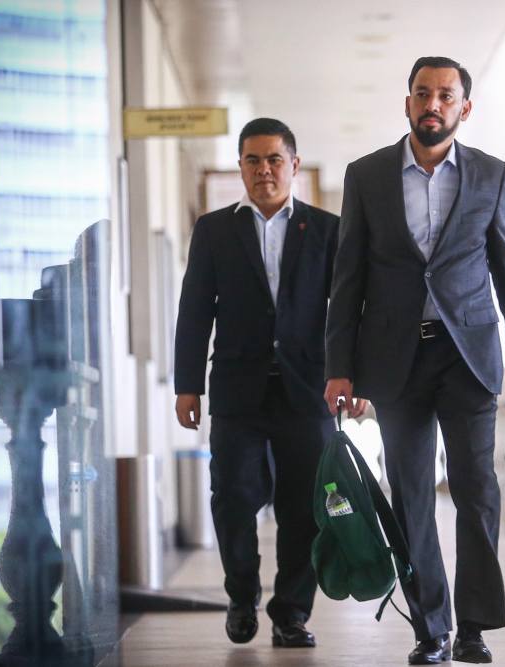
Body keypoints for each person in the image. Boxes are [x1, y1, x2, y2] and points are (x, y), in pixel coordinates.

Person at [324, 56, 505, 665]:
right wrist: (340, 365)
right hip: (394, 357)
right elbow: (348, 275)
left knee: (477, 490)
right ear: (408, 103)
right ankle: (431, 628)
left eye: (446, 95)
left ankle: (472, 626)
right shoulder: (366, 175)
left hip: (467, 353)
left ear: (464, 108)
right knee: (411, 493)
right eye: (423, 93)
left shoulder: (490, 174)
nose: (433, 104)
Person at [174, 118, 341, 649]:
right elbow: (194, 311)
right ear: (240, 167)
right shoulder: (214, 230)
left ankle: (291, 613)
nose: (264, 170)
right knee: (233, 495)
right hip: (237, 390)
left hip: (307, 388)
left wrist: (352, 375)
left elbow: (348, 312)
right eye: (253, 160)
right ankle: (241, 596)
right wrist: (187, 384)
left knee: (304, 506)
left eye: (274, 159)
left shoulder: (327, 229)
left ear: (293, 164)